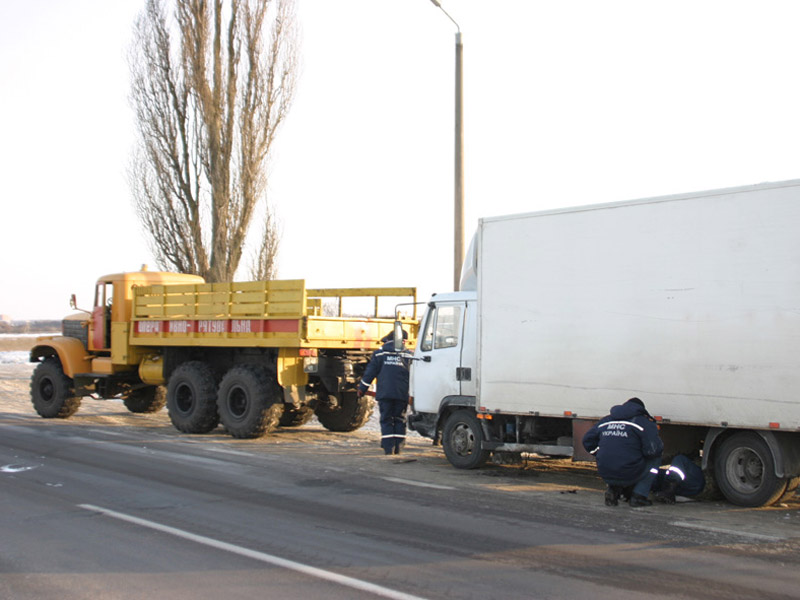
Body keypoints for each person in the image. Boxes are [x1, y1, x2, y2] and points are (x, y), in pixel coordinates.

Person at [582, 397, 664, 507]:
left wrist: (597, 453)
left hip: (605, 471)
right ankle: (639, 496)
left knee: (613, 459)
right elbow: (653, 451)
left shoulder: (606, 421)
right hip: (629, 472)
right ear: (640, 409)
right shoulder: (643, 423)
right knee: (655, 459)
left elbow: (587, 440)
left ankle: (612, 492)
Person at [357, 329, 413, 455]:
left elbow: (369, 374)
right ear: (402, 341)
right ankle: (398, 446)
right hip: (401, 394)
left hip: (385, 394)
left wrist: (362, 389)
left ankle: (388, 448)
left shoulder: (379, 355)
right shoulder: (408, 356)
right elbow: (414, 376)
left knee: (386, 419)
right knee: (400, 419)